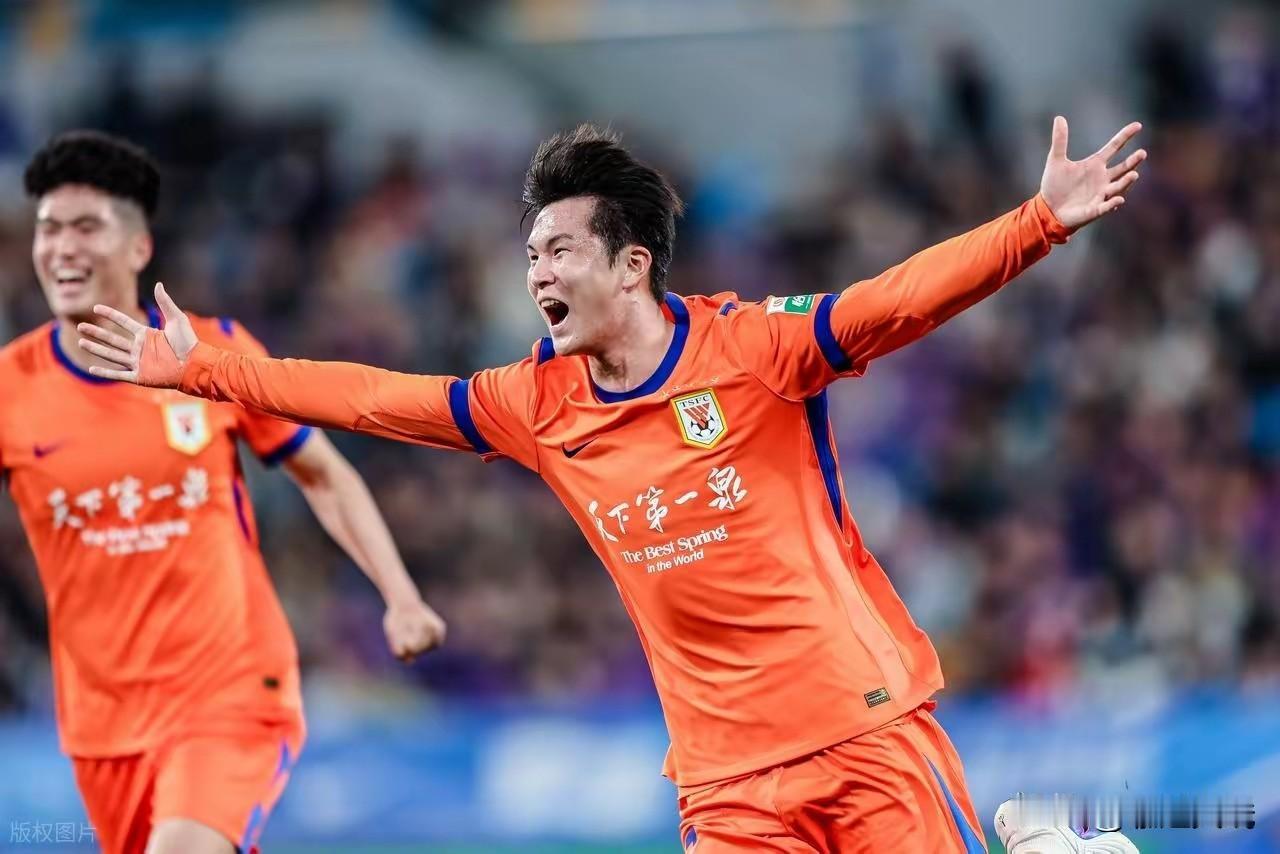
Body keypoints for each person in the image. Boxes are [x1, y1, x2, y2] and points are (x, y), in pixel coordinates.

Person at [80, 118, 1145, 853]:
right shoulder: (534, 403)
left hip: (862, 726)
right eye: (529, 256)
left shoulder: (754, 348)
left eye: (557, 250)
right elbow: (373, 397)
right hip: (725, 784)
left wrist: (1038, 221)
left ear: (631, 263)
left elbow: (896, 301)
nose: (536, 273)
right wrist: (205, 369)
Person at [6, 130, 447, 854]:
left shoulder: (208, 356)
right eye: (49, 229)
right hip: (101, 723)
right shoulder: (10, 391)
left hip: (228, 691)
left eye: (86, 227)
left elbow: (323, 475)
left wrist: (399, 595)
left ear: (139, 247)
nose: (62, 248)